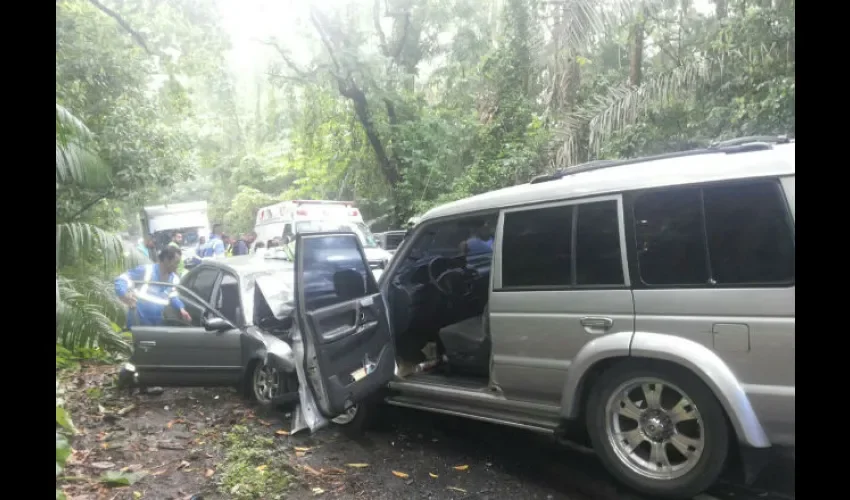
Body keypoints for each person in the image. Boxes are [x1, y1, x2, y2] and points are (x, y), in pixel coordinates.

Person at [115, 245, 192, 328]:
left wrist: (181, 308)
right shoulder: (146, 270)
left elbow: (172, 296)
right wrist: (123, 294)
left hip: (156, 324)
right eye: (176, 262)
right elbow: (122, 278)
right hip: (137, 322)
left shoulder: (174, 279)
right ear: (166, 260)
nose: (177, 266)